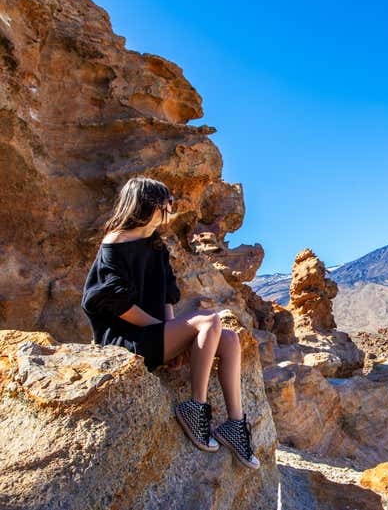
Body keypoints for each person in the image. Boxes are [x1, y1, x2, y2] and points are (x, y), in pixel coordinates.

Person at [81, 176, 259, 469]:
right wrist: (164, 333)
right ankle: (195, 406)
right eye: (166, 202)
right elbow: (119, 305)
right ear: (146, 205)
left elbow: (166, 295)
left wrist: (172, 337)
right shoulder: (113, 246)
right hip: (126, 340)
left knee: (229, 339)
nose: (170, 208)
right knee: (208, 320)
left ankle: (235, 425)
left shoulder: (155, 247)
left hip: (152, 335)